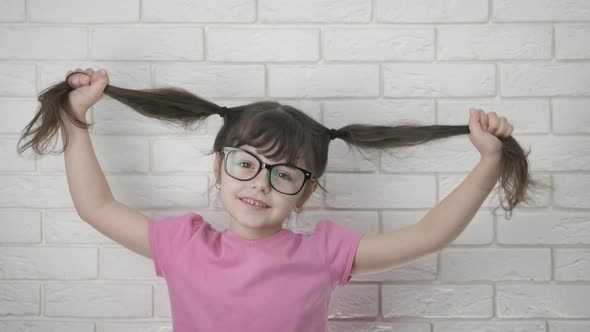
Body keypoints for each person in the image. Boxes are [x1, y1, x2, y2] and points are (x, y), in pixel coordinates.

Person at [17, 68, 548, 331]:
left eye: (284, 175)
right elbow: (97, 207)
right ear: (219, 166)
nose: (260, 184)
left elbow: (430, 234)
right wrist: (75, 120)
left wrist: (488, 163)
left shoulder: (321, 254)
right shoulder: (183, 244)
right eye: (246, 164)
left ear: (306, 193)